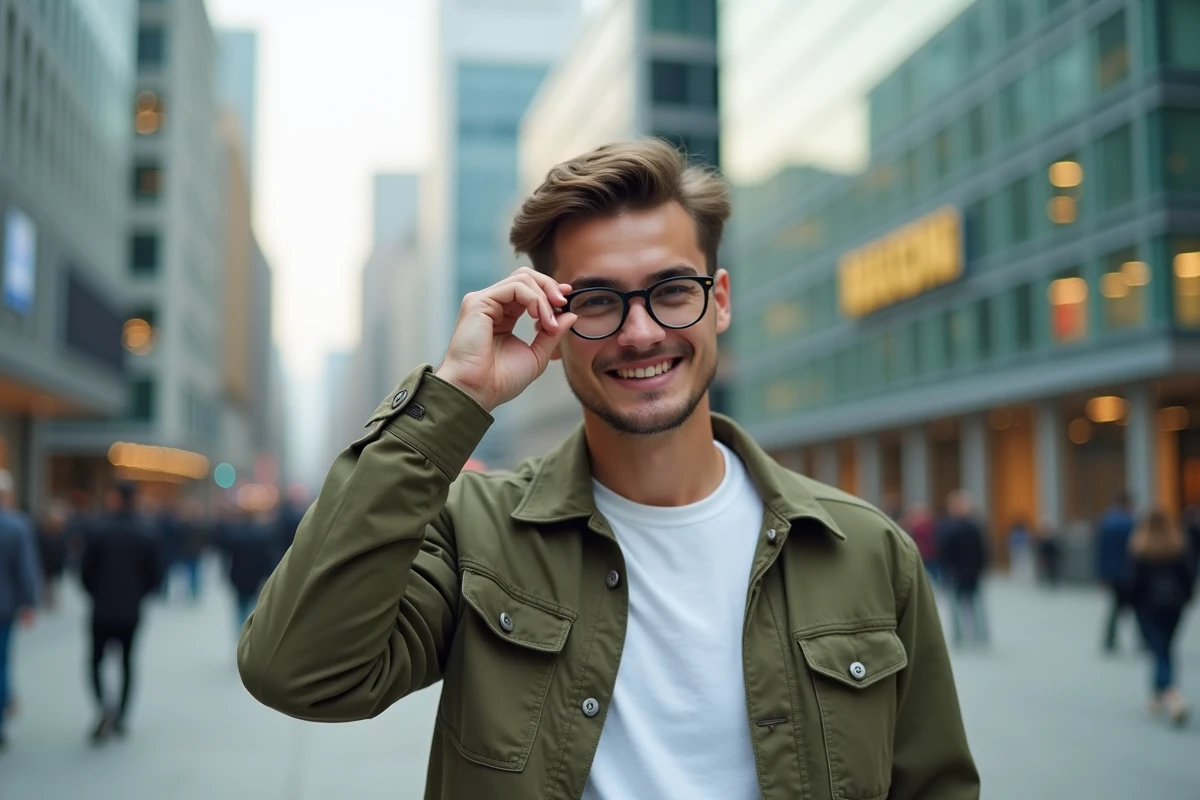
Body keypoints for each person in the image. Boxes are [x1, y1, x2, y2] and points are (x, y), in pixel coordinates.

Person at [237, 140, 979, 799]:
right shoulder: (475, 531)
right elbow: (297, 670)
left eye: (672, 291)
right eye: (597, 302)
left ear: (718, 301)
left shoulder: (868, 552)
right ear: (551, 326)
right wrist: (454, 396)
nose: (641, 331)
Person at [80, 482, 164, 743]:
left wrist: (96, 592)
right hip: (131, 609)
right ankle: (122, 716)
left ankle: (104, 705)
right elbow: (156, 576)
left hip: (102, 608)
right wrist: (138, 594)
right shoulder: (146, 532)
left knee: (95, 660)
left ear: (115, 498)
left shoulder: (99, 530)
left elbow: (85, 572)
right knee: (127, 661)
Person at [1128, 509, 1194, 726]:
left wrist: (1132, 603)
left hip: (1148, 607)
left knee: (1158, 650)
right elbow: (1188, 577)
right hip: (1174, 606)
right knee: (1165, 648)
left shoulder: (1140, 548)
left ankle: (1173, 695)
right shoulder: (1177, 546)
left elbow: (1134, 582)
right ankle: (1157, 697)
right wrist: (1186, 599)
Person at [0, 470, 39, 751]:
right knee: (1, 662)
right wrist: (29, 603)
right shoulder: (15, 526)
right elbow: (26, 570)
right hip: (4, 606)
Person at [936, 490, 990, 648]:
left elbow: (982, 550)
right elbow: (943, 551)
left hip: (970, 572)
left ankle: (980, 636)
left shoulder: (972, 526)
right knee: (956, 607)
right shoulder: (948, 526)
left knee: (975, 605)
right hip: (955, 573)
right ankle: (960, 636)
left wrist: (981, 568)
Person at [1096, 492, 1137, 653]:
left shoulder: (1106, 522)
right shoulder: (1131, 523)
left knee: (1114, 607)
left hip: (1112, 573)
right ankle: (1143, 639)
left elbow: (1100, 551)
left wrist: (1101, 574)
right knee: (1136, 605)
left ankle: (1109, 639)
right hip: (1129, 572)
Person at [36, 501, 71, 610]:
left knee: (51, 583)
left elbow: (63, 552)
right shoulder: (43, 534)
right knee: (47, 583)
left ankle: (50, 601)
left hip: (53, 563)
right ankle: (47, 600)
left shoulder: (60, 535)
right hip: (47, 562)